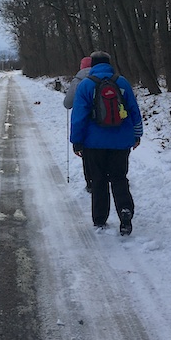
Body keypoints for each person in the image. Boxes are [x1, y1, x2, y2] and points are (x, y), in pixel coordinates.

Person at [70, 51, 143, 235]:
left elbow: (79, 116)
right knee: (119, 177)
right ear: (109, 63)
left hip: (93, 143)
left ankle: (100, 219)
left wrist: (77, 141)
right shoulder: (122, 82)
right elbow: (134, 110)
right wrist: (137, 135)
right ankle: (125, 210)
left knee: (99, 180)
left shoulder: (86, 85)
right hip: (120, 142)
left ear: (92, 65)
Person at [64, 56, 93, 191]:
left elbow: (68, 104)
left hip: (86, 126)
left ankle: (91, 183)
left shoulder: (78, 81)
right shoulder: (107, 78)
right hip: (108, 123)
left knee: (88, 157)